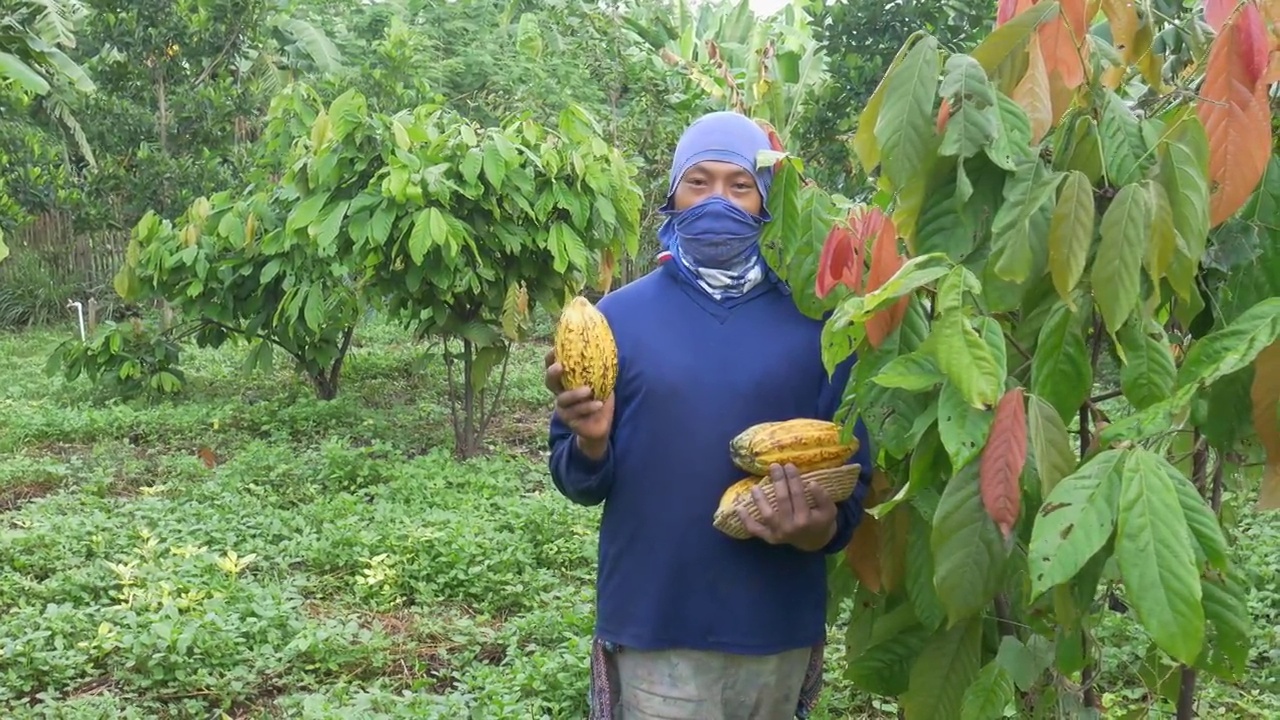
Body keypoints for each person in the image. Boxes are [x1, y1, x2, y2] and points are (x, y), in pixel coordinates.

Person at [543, 110, 874, 720]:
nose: (717, 199)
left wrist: (815, 528)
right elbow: (575, 480)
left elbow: (851, 486)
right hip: (654, 626)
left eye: (739, 184)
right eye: (699, 181)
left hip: (775, 629)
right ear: (672, 193)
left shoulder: (821, 324)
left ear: (767, 199)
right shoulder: (616, 319)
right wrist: (591, 444)